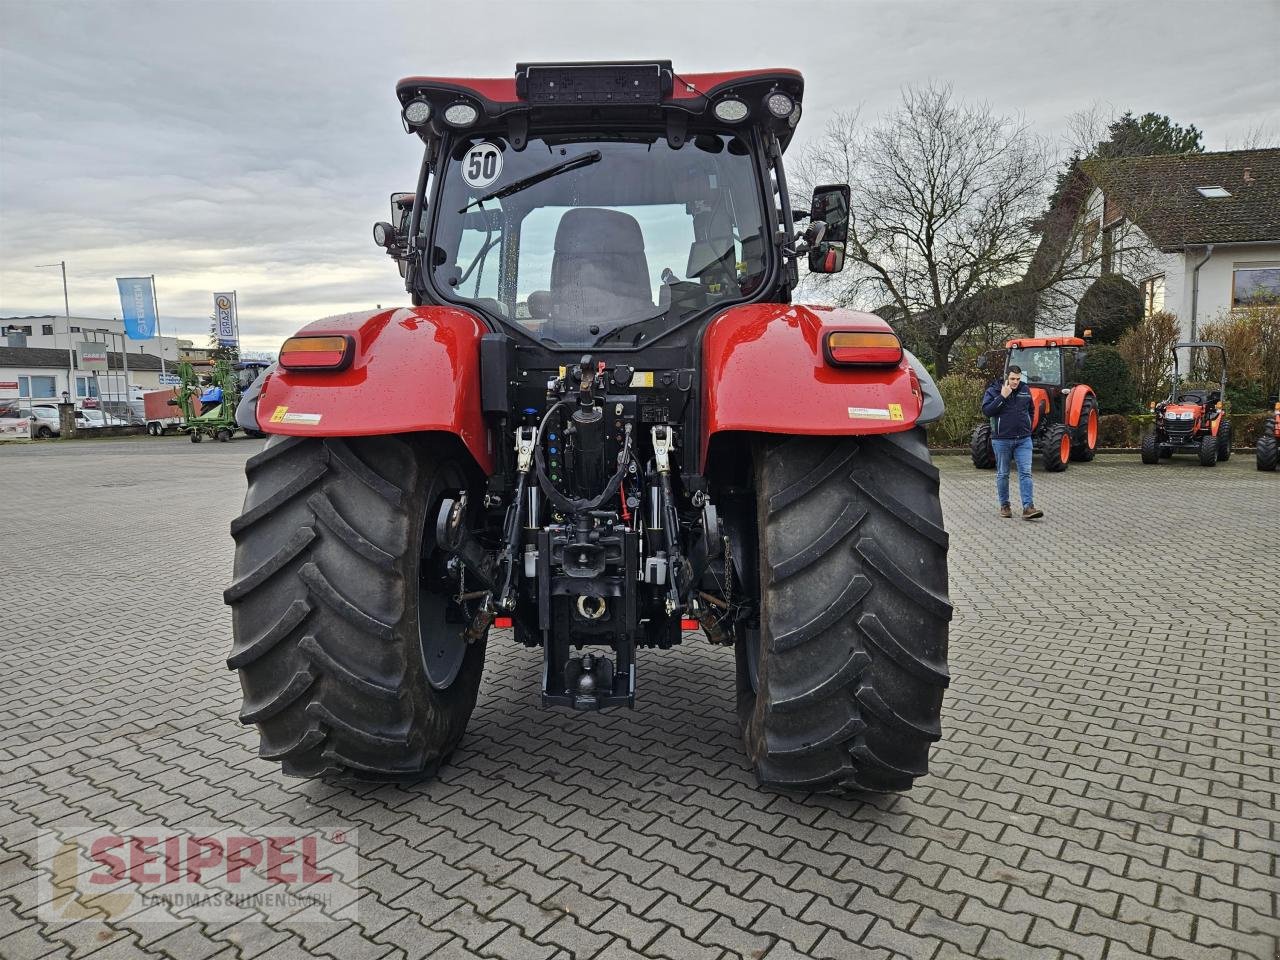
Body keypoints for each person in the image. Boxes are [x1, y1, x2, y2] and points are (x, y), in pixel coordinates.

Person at [981, 365, 1044, 520]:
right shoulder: (994, 390)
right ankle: (1005, 505)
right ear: (1006, 377)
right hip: (1002, 440)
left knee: (1026, 473)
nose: (1015, 382)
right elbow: (987, 411)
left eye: (1018, 378)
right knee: (1003, 474)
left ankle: (1028, 507)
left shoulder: (1025, 390)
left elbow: (1031, 410)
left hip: (1023, 439)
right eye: (1012, 379)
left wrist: (1028, 426)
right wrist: (1002, 397)